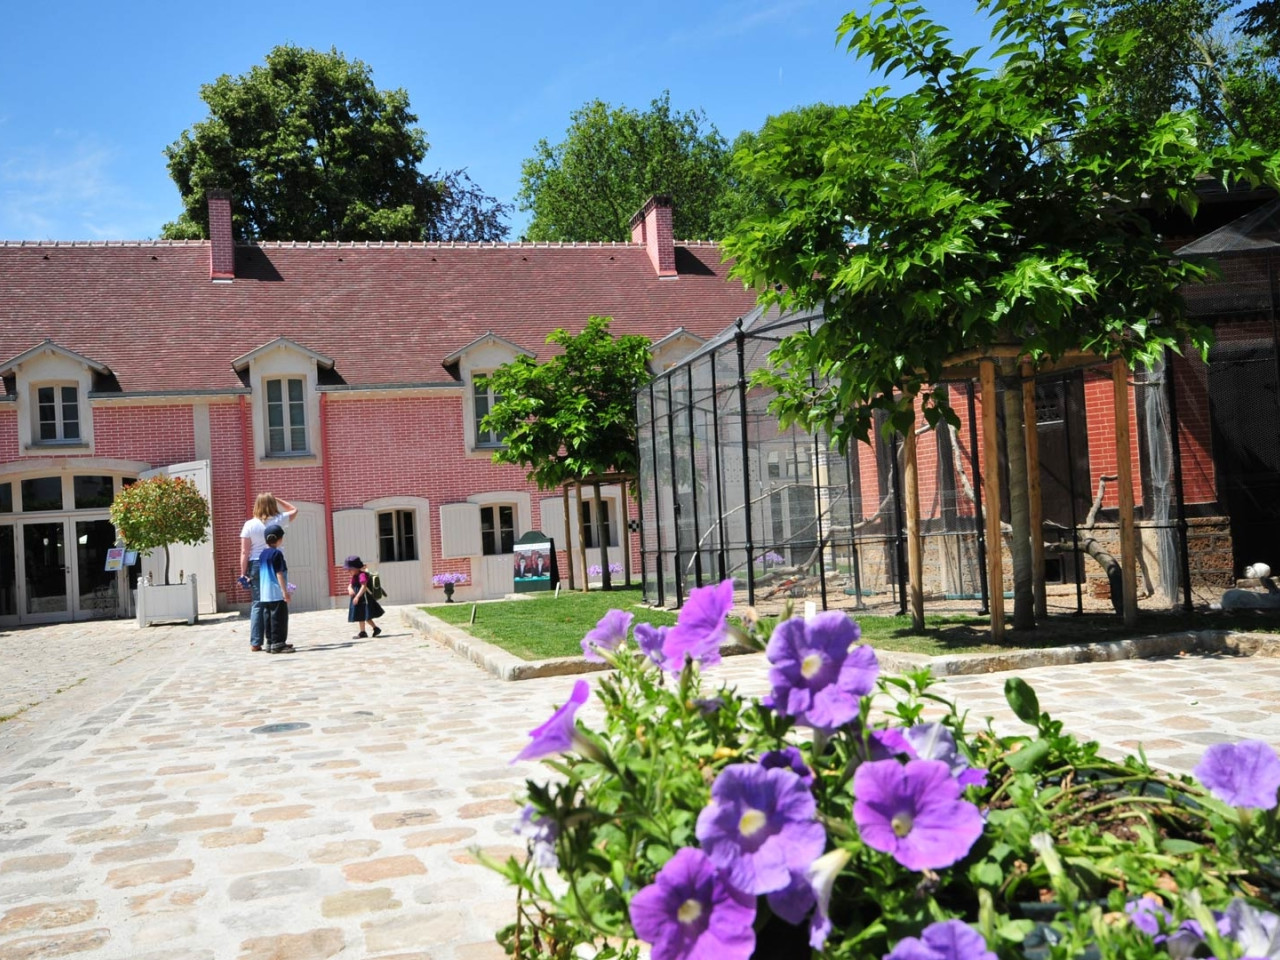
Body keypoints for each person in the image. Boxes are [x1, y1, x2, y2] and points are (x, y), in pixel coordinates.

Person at [239, 493, 298, 651]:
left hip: (256, 563)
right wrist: (278, 499)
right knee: (278, 601)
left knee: (258, 603)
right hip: (275, 561)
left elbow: (245, 552)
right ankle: (276, 639)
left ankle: (256, 642)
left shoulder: (249, 524)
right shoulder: (278, 519)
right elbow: (294, 510)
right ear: (272, 504)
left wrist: (243, 572)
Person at [257, 524, 294, 654]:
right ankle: (279, 644)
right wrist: (285, 592)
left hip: (265, 594)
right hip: (276, 592)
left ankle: (270, 642)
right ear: (278, 539)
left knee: (268, 618)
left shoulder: (262, 555)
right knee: (279, 619)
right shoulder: (277, 554)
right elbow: (279, 573)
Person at [345, 556, 384, 639]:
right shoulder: (354, 576)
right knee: (361, 615)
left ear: (356, 568)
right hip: (358, 598)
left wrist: (357, 596)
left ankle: (374, 629)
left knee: (365, 615)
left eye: (350, 569)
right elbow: (350, 585)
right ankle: (364, 631)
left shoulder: (362, 575)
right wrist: (350, 589)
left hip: (364, 598)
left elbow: (363, 586)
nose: (348, 571)